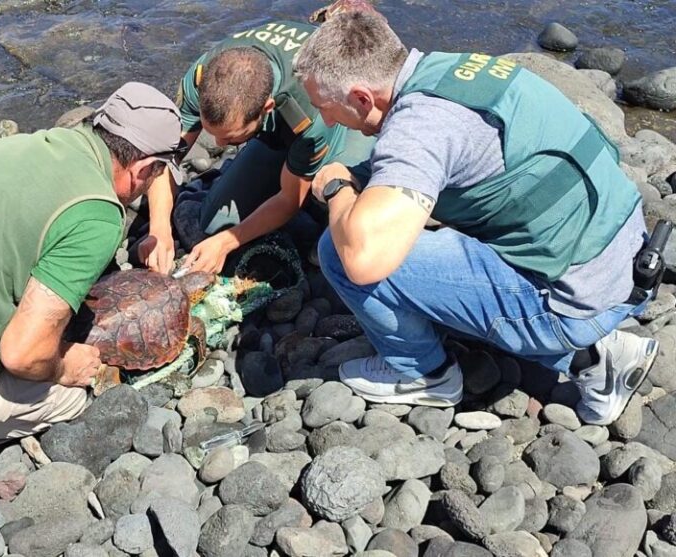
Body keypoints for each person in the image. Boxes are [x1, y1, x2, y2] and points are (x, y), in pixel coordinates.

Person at [292, 11, 659, 426]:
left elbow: (363, 259)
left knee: (338, 253)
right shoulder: (448, 68)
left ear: (362, 97)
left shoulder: (420, 127)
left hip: (575, 300)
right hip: (627, 253)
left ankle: (424, 374)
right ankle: (598, 357)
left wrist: (338, 188)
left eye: (325, 106)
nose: (325, 120)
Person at [0, 82, 183, 465]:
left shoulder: (41, 143)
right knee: (69, 397)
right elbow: (22, 355)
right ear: (142, 170)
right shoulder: (98, 216)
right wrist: (66, 365)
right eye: (156, 174)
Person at [138, 17, 375, 275]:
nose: (218, 144)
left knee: (340, 217)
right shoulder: (203, 77)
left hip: (346, 118)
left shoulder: (308, 112)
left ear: (266, 109)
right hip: (279, 126)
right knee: (213, 223)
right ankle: (287, 164)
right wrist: (158, 230)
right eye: (213, 134)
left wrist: (227, 243)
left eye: (230, 139)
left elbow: (289, 198)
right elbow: (165, 158)